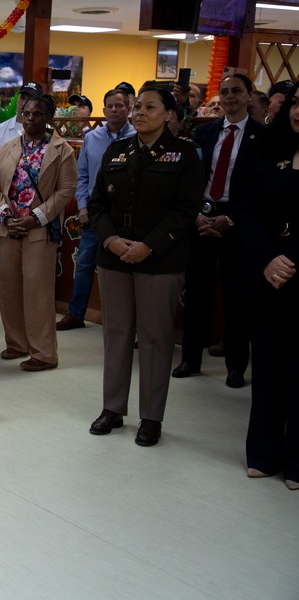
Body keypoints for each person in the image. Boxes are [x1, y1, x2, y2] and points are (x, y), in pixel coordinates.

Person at [87, 87, 204, 446]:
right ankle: (113, 408)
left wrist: (148, 246)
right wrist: (111, 240)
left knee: (154, 338)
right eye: (137, 106)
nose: (139, 112)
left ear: (169, 114)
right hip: (115, 257)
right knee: (116, 334)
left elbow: (185, 211)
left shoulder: (184, 155)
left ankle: (151, 416)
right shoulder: (117, 151)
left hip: (159, 260)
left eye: (149, 107)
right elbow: (97, 205)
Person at [173, 74, 262, 387]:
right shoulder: (206, 131)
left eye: (236, 91)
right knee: (196, 292)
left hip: (238, 223)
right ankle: (190, 359)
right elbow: (191, 177)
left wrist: (232, 219)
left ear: (249, 95)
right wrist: (197, 215)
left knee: (235, 297)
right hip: (202, 217)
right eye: (224, 92)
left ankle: (236, 365)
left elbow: (257, 188)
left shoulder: (260, 136)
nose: (230, 97)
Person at [237, 82, 299, 490]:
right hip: (266, 273)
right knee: (268, 366)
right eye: (297, 104)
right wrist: (267, 257)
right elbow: (245, 206)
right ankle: (263, 452)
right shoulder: (264, 147)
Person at [0, 93, 76, 371]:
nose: (30, 119)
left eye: (37, 114)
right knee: (9, 288)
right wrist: (5, 215)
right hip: (8, 226)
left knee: (38, 291)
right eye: (26, 113)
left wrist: (35, 217)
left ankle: (44, 353)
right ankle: (17, 342)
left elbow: (65, 191)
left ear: (50, 118)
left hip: (39, 228)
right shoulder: (7, 148)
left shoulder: (62, 150)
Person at [58, 88, 136, 331]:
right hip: (93, 214)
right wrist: (82, 206)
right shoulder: (92, 138)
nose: (114, 110)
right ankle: (76, 314)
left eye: (119, 106)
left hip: (123, 217)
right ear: (103, 110)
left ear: (128, 109)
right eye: (110, 106)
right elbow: (81, 176)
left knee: (124, 272)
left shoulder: (136, 137)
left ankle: (125, 323)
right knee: (83, 265)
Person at [0, 80, 45, 308]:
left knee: (30, 247)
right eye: (23, 97)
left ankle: (24, 293)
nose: (25, 102)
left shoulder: (48, 136)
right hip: (2, 200)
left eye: (30, 98)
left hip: (34, 203)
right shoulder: (2, 130)